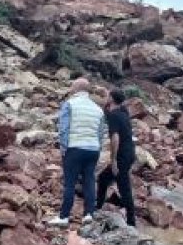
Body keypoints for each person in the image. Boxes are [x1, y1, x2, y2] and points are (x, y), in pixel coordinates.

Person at [48, 78, 107, 226]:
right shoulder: (98, 109)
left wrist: (63, 149)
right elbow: (101, 133)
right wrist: (98, 148)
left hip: (74, 148)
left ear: (76, 88)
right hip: (93, 149)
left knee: (70, 183)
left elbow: (64, 129)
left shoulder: (70, 104)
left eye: (72, 86)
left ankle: (64, 216)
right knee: (89, 181)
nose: (70, 88)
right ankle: (89, 214)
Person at [95, 88, 137, 226]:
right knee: (103, 178)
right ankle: (98, 208)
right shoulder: (122, 113)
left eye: (108, 96)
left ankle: (131, 222)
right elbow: (106, 109)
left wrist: (113, 161)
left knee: (124, 187)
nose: (106, 97)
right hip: (130, 152)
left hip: (122, 156)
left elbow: (115, 138)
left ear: (112, 99)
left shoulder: (115, 115)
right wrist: (104, 92)